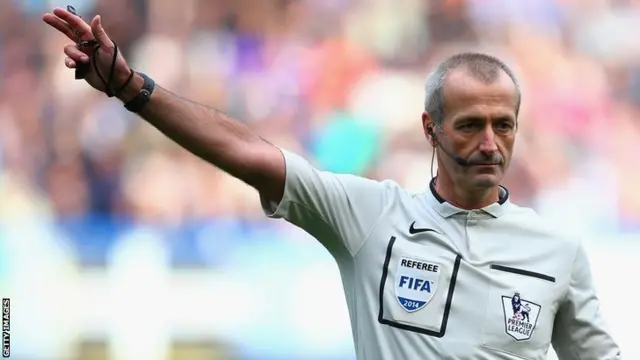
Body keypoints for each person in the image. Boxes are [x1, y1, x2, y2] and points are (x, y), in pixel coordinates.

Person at [42, 7, 622, 360]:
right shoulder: (371, 217)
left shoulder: (558, 252)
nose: (490, 144)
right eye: (470, 125)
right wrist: (131, 88)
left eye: (504, 125)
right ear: (431, 128)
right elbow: (250, 154)